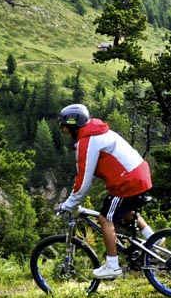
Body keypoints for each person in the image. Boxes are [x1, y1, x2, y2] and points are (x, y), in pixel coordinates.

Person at [54, 103, 154, 279]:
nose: (65, 132)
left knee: (105, 217)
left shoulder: (88, 141)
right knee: (126, 211)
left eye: (65, 129)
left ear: (72, 126)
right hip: (140, 174)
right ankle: (153, 239)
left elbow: (84, 179)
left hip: (127, 181)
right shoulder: (100, 131)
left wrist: (69, 204)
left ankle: (112, 266)